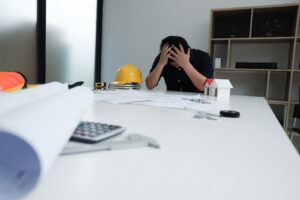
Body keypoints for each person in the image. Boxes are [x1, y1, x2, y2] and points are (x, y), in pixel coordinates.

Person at [145, 36, 213, 92]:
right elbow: (149, 85)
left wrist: (186, 64)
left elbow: (208, 87)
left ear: (187, 52)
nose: (176, 66)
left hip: (198, 102)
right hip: (172, 102)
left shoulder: (203, 57)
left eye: (177, 62)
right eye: (172, 64)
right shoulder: (163, 57)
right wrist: (161, 64)